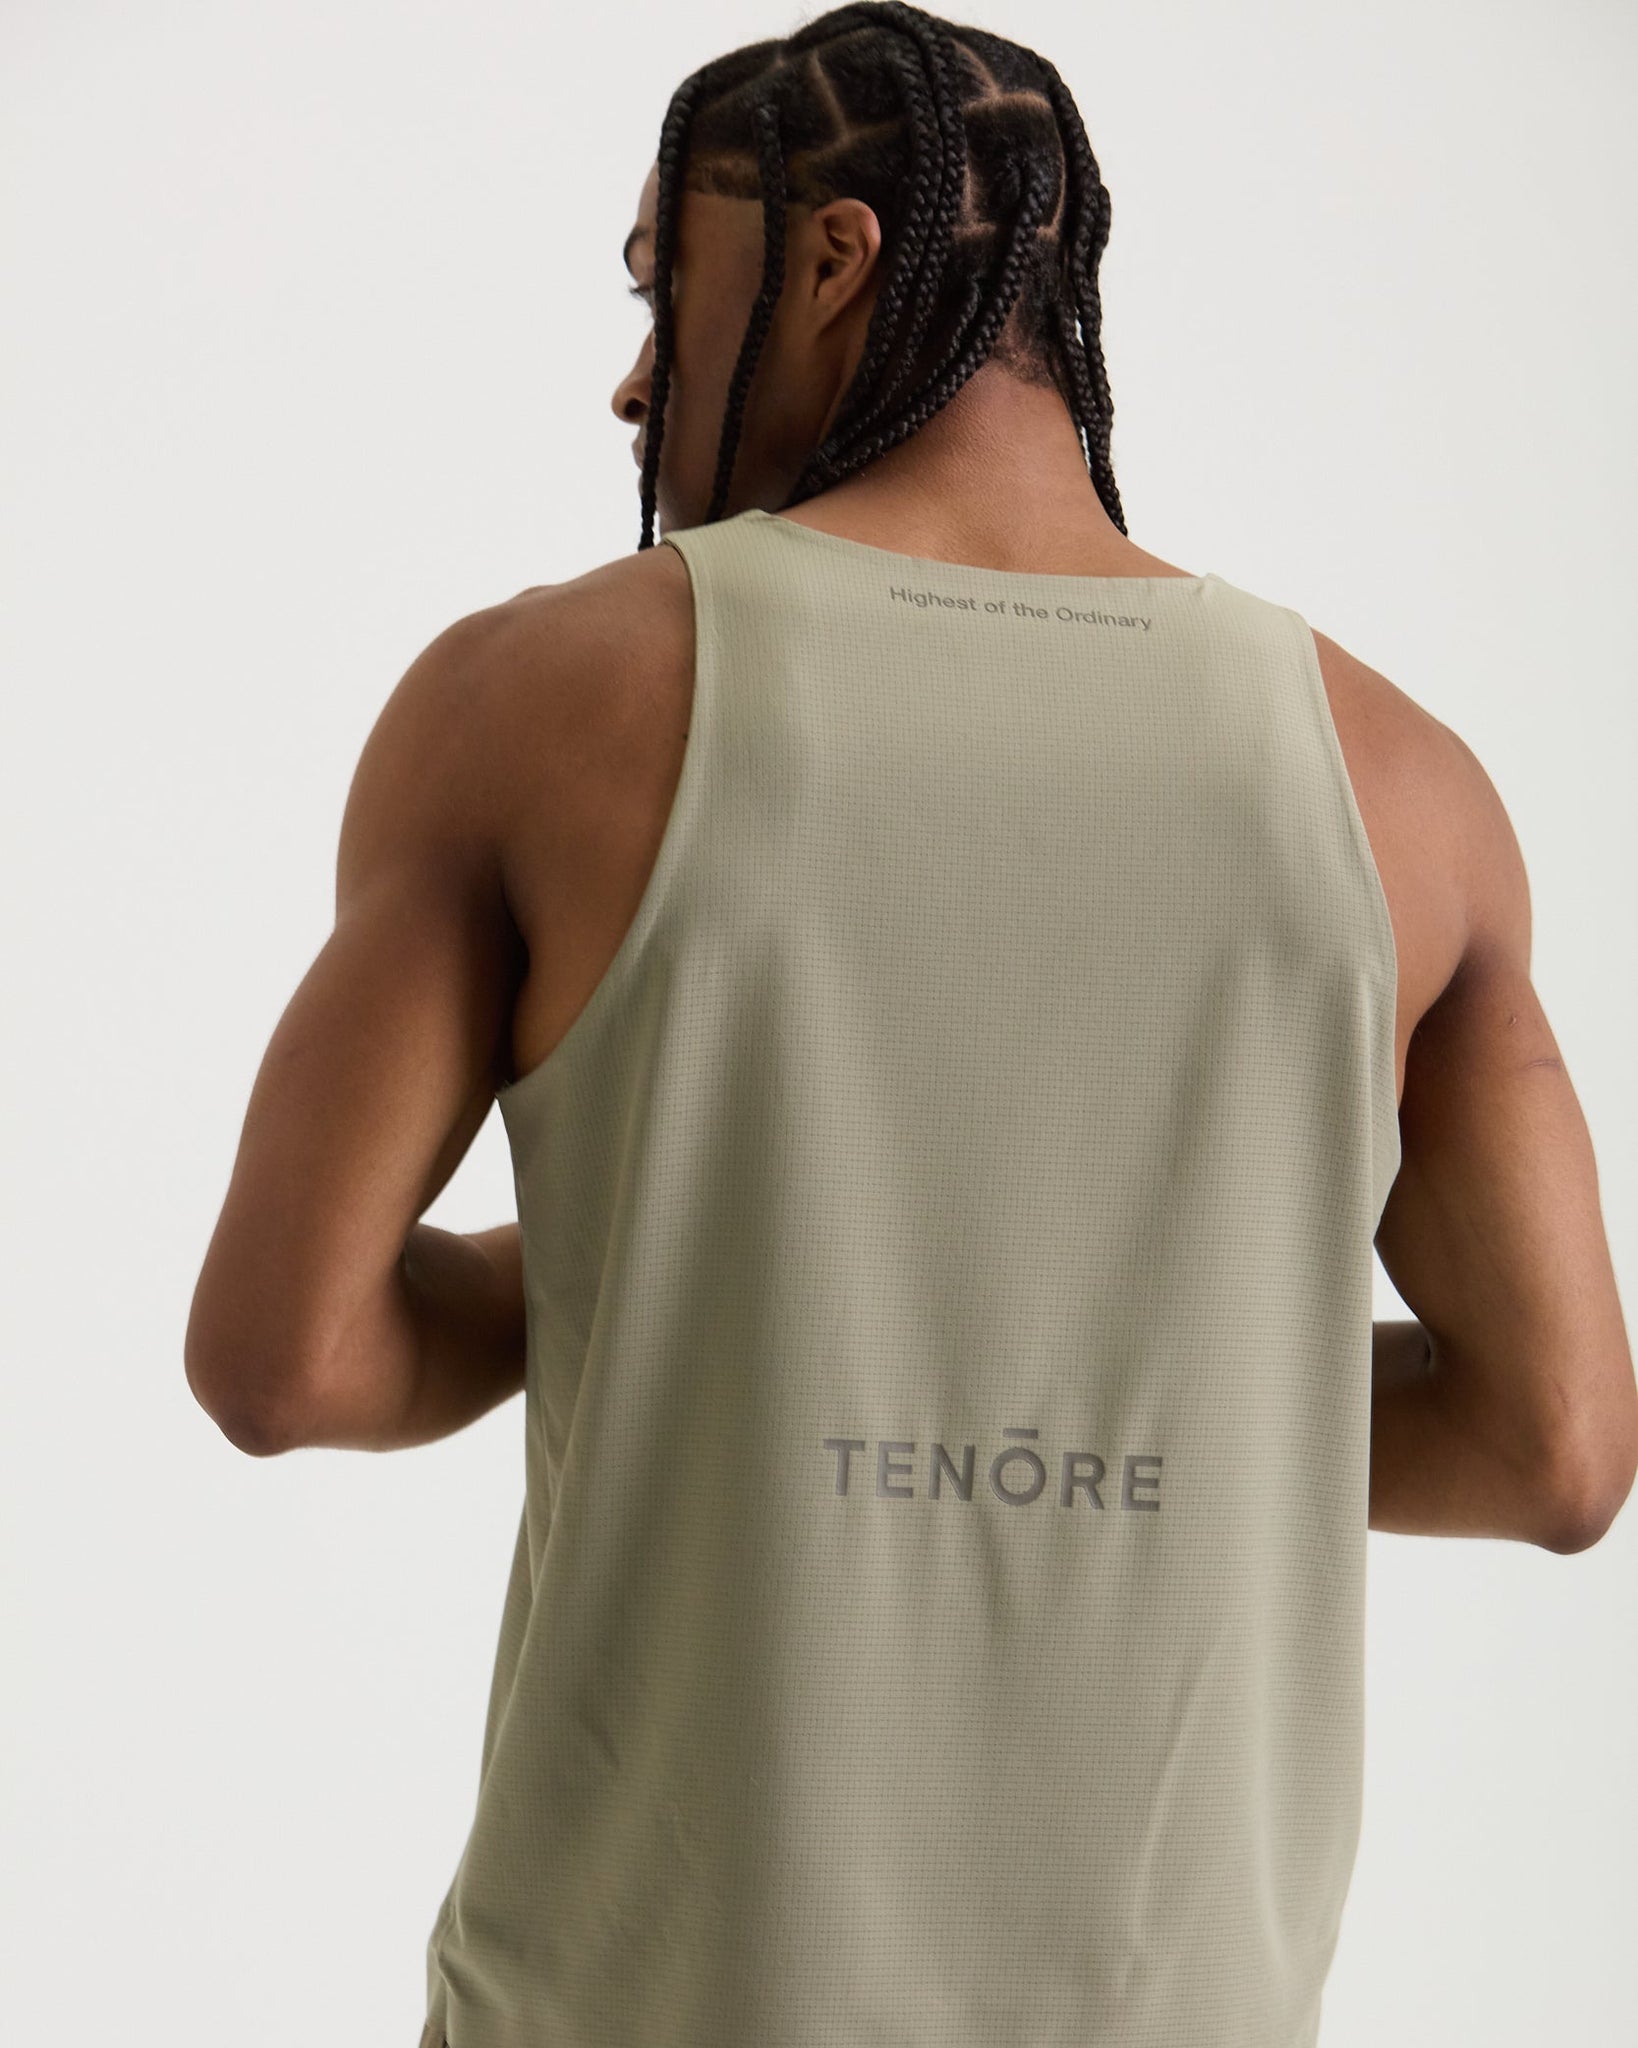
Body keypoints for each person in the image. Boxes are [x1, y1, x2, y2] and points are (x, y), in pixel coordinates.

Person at [184, 6, 1637, 2044]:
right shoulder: (1400, 786)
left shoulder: (534, 704)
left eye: (657, 291)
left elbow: (284, 1358)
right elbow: (1555, 1447)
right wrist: (1144, 1389)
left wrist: (655, 1294)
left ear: (834, 258)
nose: (633, 377)